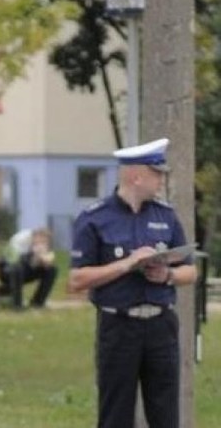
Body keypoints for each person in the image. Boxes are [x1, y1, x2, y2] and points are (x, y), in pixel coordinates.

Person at [69, 138, 198, 428]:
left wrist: (168, 275)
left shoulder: (165, 216)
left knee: (165, 413)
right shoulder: (95, 218)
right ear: (135, 176)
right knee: (116, 414)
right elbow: (77, 279)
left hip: (160, 326)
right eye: (157, 174)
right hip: (118, 327)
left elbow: (190, 271)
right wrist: (127, 264)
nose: (161, 181)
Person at [0, 228, 58, 309]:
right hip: (7, 271)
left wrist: (43, 263)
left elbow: (36, 263)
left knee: (52, 269)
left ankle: (38, 302)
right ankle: (17, 305)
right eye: (40, 241)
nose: (42, 244)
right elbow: (12, 260)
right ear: (34, 237)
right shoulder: (20, 240)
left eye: (45, 242)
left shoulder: (42, 245)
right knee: (17, 268)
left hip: (24, 272)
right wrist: (32, 255)